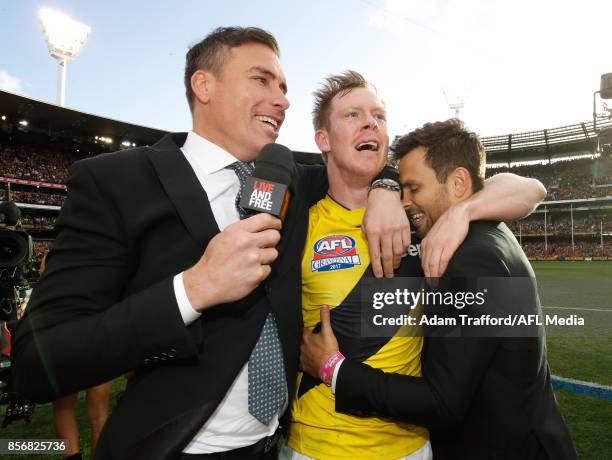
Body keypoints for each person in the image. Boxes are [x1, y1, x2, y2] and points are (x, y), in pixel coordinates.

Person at [12, 27, 409, 460]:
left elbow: (358, 165)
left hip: (277, 444)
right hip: (175, 448)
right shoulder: (115, 181)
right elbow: (36, 363)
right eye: (261, 79)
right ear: (203, 85)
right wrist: (193, 289)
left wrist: (386, 187)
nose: (282, 100)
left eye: (283, 87)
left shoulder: (284, 175)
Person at [288, 74, 549, 459]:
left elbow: (532, 189)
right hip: (317, 444)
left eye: (379, 114)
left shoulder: (424, 217)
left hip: (411, 446)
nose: (370, 122)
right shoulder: (297, 220)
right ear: (323, 140)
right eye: (353, 114)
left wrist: (464, 209)